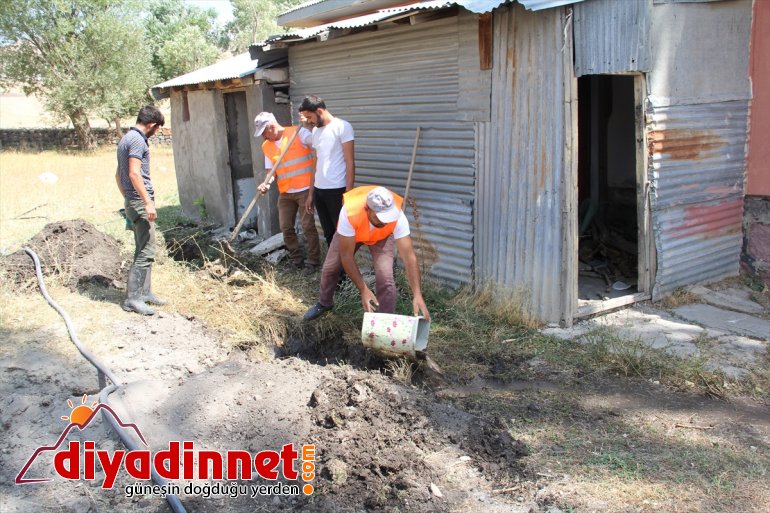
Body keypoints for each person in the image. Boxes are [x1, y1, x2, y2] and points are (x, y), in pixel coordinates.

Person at [303, 186, 430, 321]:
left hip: (381, 237)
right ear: (367, 209)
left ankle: (385, 321)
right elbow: (346, 256)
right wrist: (363, 289)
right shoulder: (350, 212)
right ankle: (324, 303)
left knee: (385, 278)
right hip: (353, 234)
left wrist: (417, 294)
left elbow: (409, 258)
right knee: (331, 267)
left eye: (388, 217)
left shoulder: (397, 216)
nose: (384, 221)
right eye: (380, 217)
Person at [254, 111, 320, 273]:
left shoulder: (297, 132)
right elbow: (271, 171)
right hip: (286, 192)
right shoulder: (266, 146)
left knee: (307, 226)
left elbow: (318, 142)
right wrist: (266, 184)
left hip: (305, 189)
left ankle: (313, 261)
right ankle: (296, 259)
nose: (263, 136)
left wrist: (310, 125)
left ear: (271, 127)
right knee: (286, 226)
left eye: (263, 132)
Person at [115, 105, 166, 315]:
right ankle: (133, 299)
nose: (156, 134)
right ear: (152, 125)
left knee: (143, 247)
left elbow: (119, 175)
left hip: (132, 199)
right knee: (146, 250)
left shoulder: (126, 139)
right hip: (139, 201)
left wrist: (127, 198)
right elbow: (134, 174)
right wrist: (146, 202)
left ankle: (145, 293)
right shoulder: (137, 141)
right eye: (157, 129)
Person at [298, 95, 355, 246]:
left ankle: (344, 268)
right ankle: (334, 269)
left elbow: (350, 161)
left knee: (342, 233)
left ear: (319, 111)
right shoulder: (316, 131)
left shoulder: (342, 127)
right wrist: (311, 193)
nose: (309, 121)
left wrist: (348, 192)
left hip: (337, 189)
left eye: (310, 117)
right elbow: (315, 162)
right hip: (319, 190)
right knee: (329, 234)